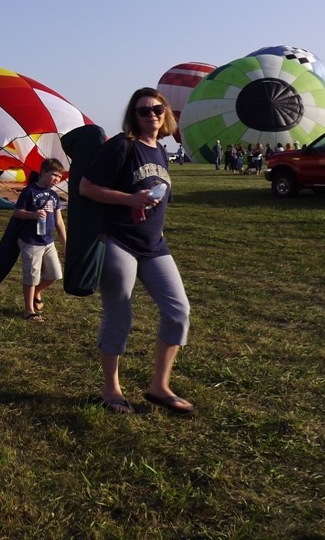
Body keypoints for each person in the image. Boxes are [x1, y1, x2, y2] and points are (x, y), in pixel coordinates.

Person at [79, 88, 192, 415]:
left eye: (157, 109)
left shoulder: (161, 151)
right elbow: (86, 187)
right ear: (134, 115)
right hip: (119, 241)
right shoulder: (122, 145)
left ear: (166, 112)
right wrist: (129, 199)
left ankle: (159, 386)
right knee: (119, 314)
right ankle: (111, 388)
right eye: (144, 111)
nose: (152, 115)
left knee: (179, 311)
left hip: (154, 245)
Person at [13, 158, 67, 322]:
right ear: (43, 172)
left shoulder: (54, 195)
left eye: (59, 177)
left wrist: (65, 243)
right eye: (54, 175)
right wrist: (33, 215)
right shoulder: (30, 191)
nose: (57, 179)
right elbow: (17, 212)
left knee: (55, 274)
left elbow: (59, 221)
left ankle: (37, 292)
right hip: (31, 241)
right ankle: (29, 310)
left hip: (48, 241)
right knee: (31, 276)